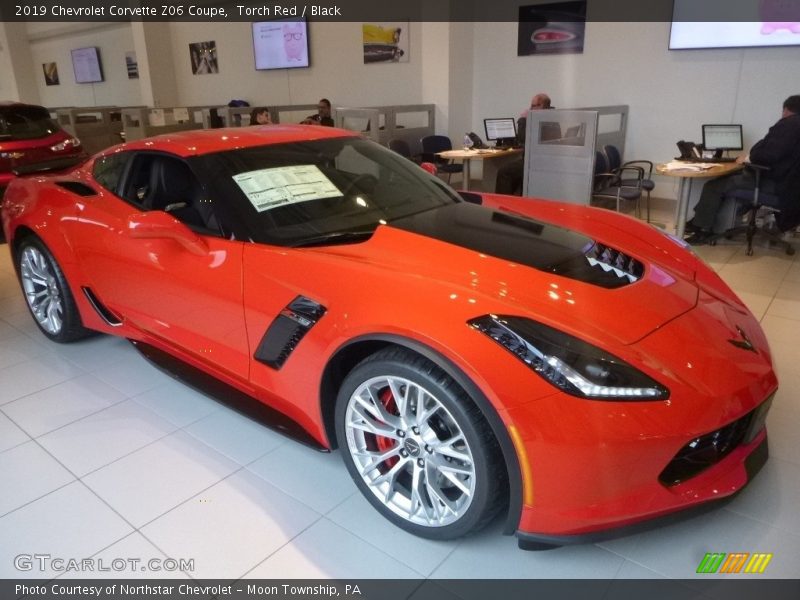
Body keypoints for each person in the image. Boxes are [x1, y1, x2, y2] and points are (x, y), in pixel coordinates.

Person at [685, 94, 800, 244]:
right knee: (726, 178)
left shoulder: (789, 124)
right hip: (791, 188)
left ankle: (701, 230)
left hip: (778, 186)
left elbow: (766, 155)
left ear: (786, 110)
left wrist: (748, 158)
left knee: (713, 186)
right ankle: (698, 219)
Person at [495, 93, 552, 195]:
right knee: (513, 171)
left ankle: (502, 204)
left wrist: (523, 119)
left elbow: (523, 138)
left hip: (535, 162)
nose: (530, 108)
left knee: (504, 172)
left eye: (533, 106)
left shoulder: (541, 120)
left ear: (541, 106)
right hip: (544, 161)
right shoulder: (552, 118)